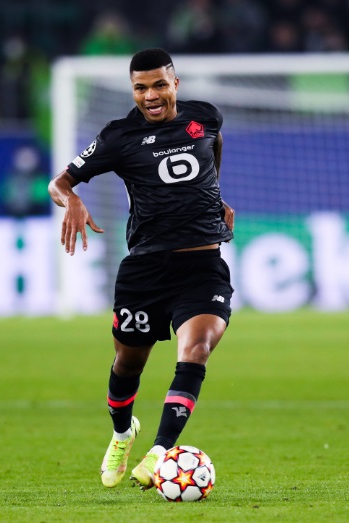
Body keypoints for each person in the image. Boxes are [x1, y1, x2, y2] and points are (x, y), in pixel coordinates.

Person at [48, 48, 236, 490]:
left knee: (197, 348)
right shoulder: (118, 137)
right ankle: (122, 433)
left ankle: (159, 452)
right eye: (140, 88)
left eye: (159, 85)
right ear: (132, 91)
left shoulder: (204, 117)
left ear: (175, 84)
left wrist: (215, 194)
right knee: (128, 363)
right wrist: (71, 200)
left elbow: (213, 145)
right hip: (145, 269)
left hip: (202, 265)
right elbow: (60, 182)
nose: (150, 95)